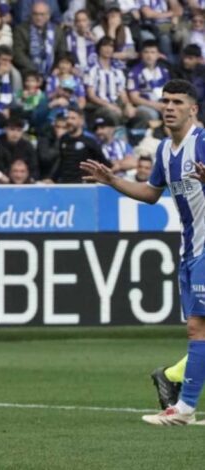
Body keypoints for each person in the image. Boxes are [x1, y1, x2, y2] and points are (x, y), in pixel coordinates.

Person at [81, 80, 205, 426]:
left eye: (177, 102)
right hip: (192, 250)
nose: (168, 107)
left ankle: (184, 407)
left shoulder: (203, 143)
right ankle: (180, 397)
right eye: (165, 101)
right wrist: (113, 181)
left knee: (198, 328)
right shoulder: (165, 150)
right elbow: (151, 193)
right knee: (199, 329)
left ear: (192, 109)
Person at [49, 106, 106, 183]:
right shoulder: (63, 139)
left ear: (81, 121)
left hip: (83, 185)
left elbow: (103, 161)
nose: (69, 121)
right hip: (65, 183)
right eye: (67, 118)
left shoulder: (89, 140)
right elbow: (61, 162)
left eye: (73, 118)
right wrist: (52, 179)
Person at [12, 0, 66, 76]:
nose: (39, 17)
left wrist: (55, 68)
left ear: (48, 15)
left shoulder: (58, 31)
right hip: (28, 72)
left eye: (42, 14)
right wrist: (35, 70)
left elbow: (62, 53)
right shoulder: (20, 30)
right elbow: (18, 55)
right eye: (35, 14)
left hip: (53, 72)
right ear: (31, 15)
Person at [127, 41, 171, 122]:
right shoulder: (134, 72)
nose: (149, 56)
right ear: (141, 54)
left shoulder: (164, 71)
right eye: (146, 52)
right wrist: (155, 105)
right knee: (153, 114)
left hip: (162, 104)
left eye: (153, 52)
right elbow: (134, 98)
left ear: (158, 55)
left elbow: (169, 93)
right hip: (144, 105)